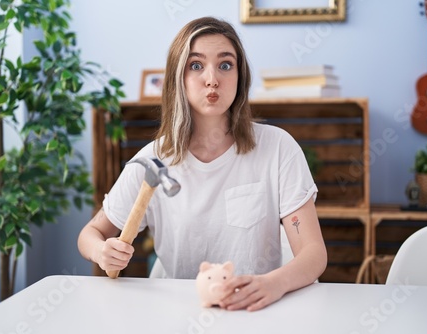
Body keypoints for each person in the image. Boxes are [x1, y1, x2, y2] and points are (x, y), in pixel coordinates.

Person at [78, 16, 327, 312]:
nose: (212, 79)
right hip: (179, 311)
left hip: (257, 310)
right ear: (178, 79)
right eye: (196, 65)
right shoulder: (151, 161)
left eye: (225, 65)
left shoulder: (278, 148)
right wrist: (101, 251)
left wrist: (274, 284)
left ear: (240, 76)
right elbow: (89, 235)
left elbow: (313, 254)